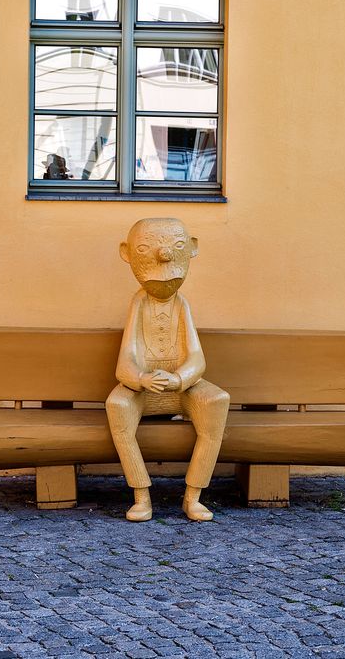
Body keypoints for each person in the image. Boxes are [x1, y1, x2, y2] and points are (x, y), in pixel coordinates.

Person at [106, 218, 229, 522]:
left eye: (175, 248)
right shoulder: (139, 304)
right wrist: (141, 378)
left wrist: (180, 378)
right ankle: (141, 495)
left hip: (180, 389)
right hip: (145, 391)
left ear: (191, 250)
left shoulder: (181, 305)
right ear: (127, 253)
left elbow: (198, 360)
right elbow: (125, 362)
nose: (163, 256)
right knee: (117, 406)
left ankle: (193, 496)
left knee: (216, 402)